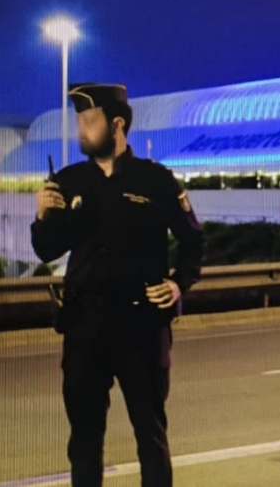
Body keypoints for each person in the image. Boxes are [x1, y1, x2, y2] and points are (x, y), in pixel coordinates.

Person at [31, 83, 205, 487]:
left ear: (117, 124)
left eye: (89, 121)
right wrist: (42, 216)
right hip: (84, 324)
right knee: (85, 439)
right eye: (79, 122)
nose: (82, 131)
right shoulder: (70, 181)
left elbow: (194, 242)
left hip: (141, 323)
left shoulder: (156, 180)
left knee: (151, 435)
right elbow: (46, 250)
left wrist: (179, 284)